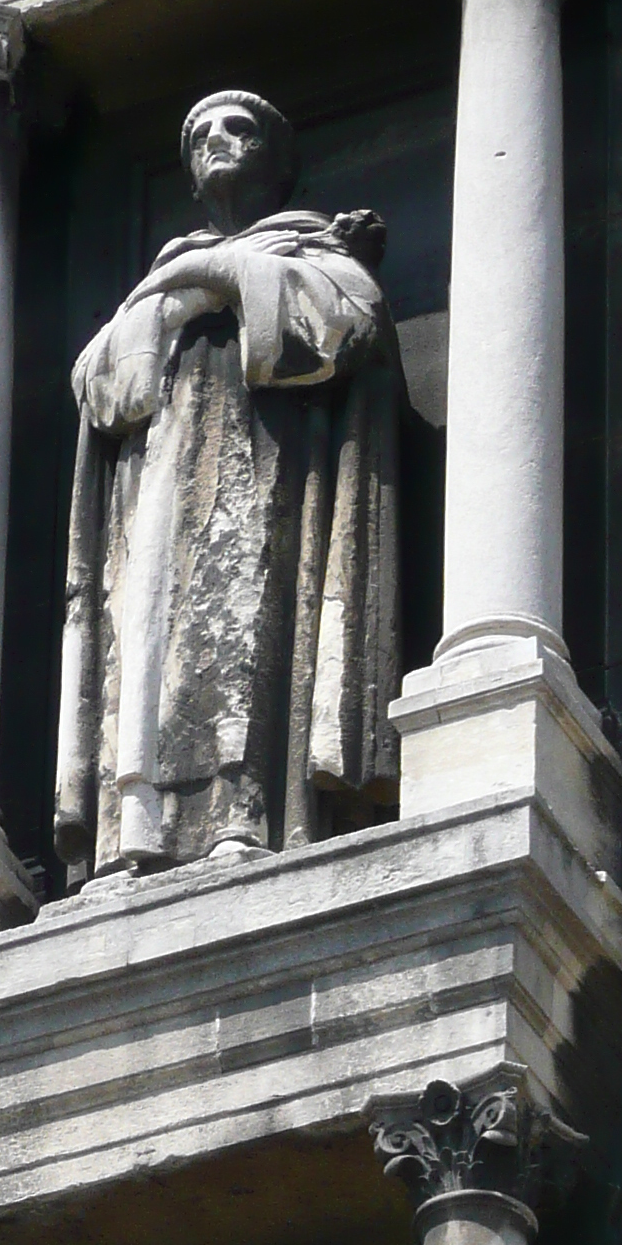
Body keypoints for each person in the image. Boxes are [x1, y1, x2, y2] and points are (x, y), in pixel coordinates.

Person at [53, 89, 401, 879]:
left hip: (268, 474)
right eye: (201, 133)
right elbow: (104, 387)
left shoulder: (311, 251)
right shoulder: (155, 282)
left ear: (277, 162)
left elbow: (345, 326)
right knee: (145, 657)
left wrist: (218, 273)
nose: (217, 140)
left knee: (248, 638)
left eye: (237, 129)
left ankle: (243, 822)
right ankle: (135, 839)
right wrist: (196, 286)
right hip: (158, 497)